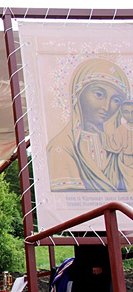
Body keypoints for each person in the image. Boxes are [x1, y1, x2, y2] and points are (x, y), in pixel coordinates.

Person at [47, 58, 131, 192]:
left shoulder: (119, 146)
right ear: (78, 94)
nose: (106, 106)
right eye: (99, 94)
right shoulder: (62, 146)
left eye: (116, 100)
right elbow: (65, 200)